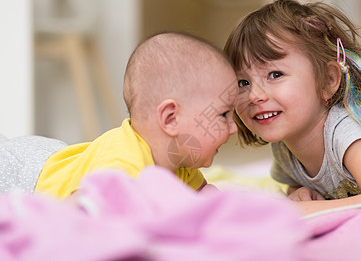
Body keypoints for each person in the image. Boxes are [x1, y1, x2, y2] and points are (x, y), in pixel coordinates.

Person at [223, 0, 361, 215]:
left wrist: (308, 210)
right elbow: (296, 186)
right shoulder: (285, 147)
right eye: (243, 82)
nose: (254, 95)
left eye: (275, 74)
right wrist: (299, 194)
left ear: (329, 81)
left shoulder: (347, 133)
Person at [1, 32, 238, 199]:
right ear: (170, 119)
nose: (233, 128)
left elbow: (203, 197)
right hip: (23, 174)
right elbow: (76, 215)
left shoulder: (180, 160)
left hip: (62, 159)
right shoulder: (121, 169)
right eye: (223, 114)